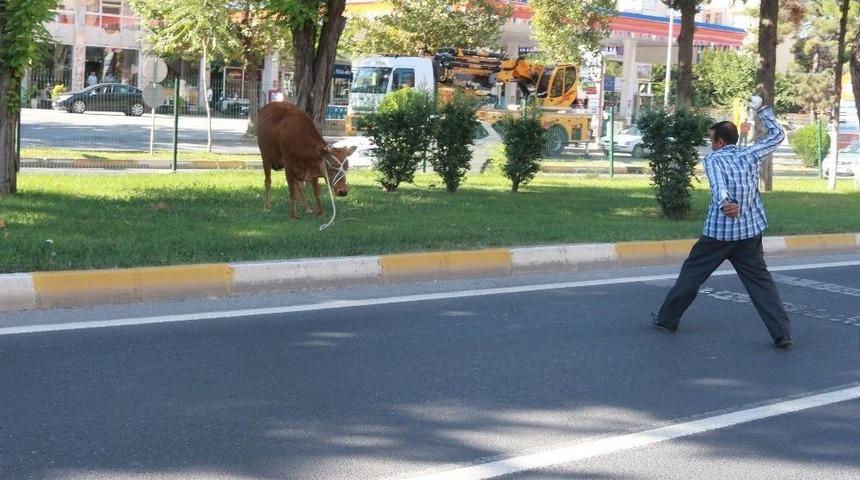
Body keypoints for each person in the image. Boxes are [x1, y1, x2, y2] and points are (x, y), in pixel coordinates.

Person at [651, 95, 793, 349]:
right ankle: (781, 333)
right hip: (749, 234)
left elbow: (718, 186)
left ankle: (667, 319)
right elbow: (777, 136)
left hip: (719, 235)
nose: (710, 144)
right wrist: (762, 110)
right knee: (761, 283)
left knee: (692, 275)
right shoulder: (751, 153)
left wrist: (726, 203)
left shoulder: (713, 159)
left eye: (711, 140)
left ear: (719, 141)